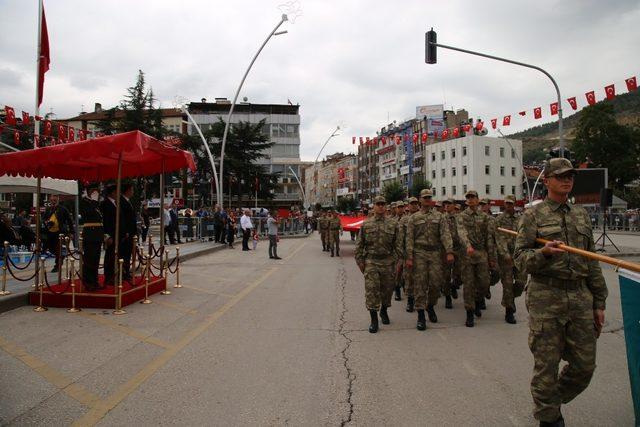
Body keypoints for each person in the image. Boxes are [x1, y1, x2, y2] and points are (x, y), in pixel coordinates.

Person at [514, 158, 608, 427]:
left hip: (580, 297)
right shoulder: (533, 215)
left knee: (584, 367)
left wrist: (598, 301)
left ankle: (550, 402)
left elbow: (590, 261)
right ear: (547, 181)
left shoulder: (580, 215)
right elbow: (520, 259)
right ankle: (549, 418)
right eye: (560, 176)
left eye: (570, 176)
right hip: (547, 297)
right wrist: (543, 253)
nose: (567, 180)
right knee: (546, 366)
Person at [405, 189, 454, 330]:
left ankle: (430, 306)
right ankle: (421, 315)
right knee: (420, 285)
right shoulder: (413, 218)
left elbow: (445, 234)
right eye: (424, 197)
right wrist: (409, 257)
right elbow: (409, 239)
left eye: (429, 197)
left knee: (435, 284)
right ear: (420, 200)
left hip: (435, 254)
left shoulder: (439, 216)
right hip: (419, 253)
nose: (427, 199)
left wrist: (449, 251)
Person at [355, 196, 400, 333]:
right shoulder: (366, 224)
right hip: (371, 262)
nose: (380, 206)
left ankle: (384, 310)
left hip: (388, 262)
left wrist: (396, 262)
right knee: (372, 291)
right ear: (373, 207)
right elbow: (359, 246)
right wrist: (361, 262)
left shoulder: (393, 224)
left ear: (386, 207)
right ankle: (374, 320)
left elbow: (397, 245)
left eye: (383, 204)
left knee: (387, 291)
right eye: (378, 204)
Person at [458, 190, 497, 327]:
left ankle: (478, 300)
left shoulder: (484, 217)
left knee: (484, 283)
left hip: (481, 254)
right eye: (468, 198)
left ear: (478, 199)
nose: (470, 199)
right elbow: (461, 232)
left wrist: (491, 257)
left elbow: (489, 238)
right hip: (468, 254)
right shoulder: (462, 216)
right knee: (468, 284)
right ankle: (469, 313)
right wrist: (468, 245)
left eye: (472, 197)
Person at [495, 195, 526, 324]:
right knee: (507, 285)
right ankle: (509, 311)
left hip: (519, 257)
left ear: (514, 204)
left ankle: (510, 299)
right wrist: (505, 254)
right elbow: (499, 238)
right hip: (506, 259)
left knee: (520, 283)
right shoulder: (499, 219)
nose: (508, 206)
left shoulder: (521, 219)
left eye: (510, 203)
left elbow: (525, 236)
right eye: (506, 203)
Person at [79, 183, 104, 291]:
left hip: (97, 234)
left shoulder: (96, 203)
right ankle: (88, 282)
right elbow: (87, 214)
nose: (96, 193)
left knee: (96, 259)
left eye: (97, 191)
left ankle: (94, 281)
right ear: (89, 191)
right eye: (94, 191)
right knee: (89, 259)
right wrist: (94, 201)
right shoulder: (84, 202)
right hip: (90, 233)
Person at [43, 194, 75, 273]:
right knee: (51, 248)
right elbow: (44, 219)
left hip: (60, 232)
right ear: (50, 198)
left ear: (58, 198)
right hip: (50, 232)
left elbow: (70, 221)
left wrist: (71, 232)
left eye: (55, 197)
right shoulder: (48, 209)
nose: (53, 198)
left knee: (58, 249)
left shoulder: (63, 209)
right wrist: (47, 222)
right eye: (52, 197)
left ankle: (57, 265)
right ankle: (61, 257)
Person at [398, 197, 420, 312]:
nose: (414, 205)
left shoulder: (423, 217)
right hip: (408, 253)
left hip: (421, 252)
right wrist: (402, 254)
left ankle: (420, 299)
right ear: (408, 205)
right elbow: (400, 238)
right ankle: (410, 300)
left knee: (421, 278)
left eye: (416, 203)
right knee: (409, 278)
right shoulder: (404, 220)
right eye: (412, 204)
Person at [442, 198, 464, 309]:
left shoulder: (460, 217)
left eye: (449, 203)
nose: (446, 206)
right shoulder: (442, 218)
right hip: (446, 249)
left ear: (454, 205)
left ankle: (454, 285)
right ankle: (447, 297)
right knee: (446, 274)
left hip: (459, 248)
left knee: (460, 273)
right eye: (445, 204)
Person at [100, 186, 118, 286]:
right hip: (110, 234)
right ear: (111, 193)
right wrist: (106, 236)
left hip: (116, 234)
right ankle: (108, 277)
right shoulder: (105, 204)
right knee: (109, 256)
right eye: (115, 191)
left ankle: (113, 276)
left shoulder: (115, 203)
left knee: (114, 256)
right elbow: (105, 221)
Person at [120, 183, 137, 281]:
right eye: (132, 190)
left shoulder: (128, 201)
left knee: (128, 254)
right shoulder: (122, 202)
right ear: (127, 191)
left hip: (131, 232)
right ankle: (123, 273)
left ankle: (126, 271)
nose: (133, 192)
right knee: (124, 254)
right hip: (126, 233)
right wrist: (125, 231)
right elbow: (123, 219)